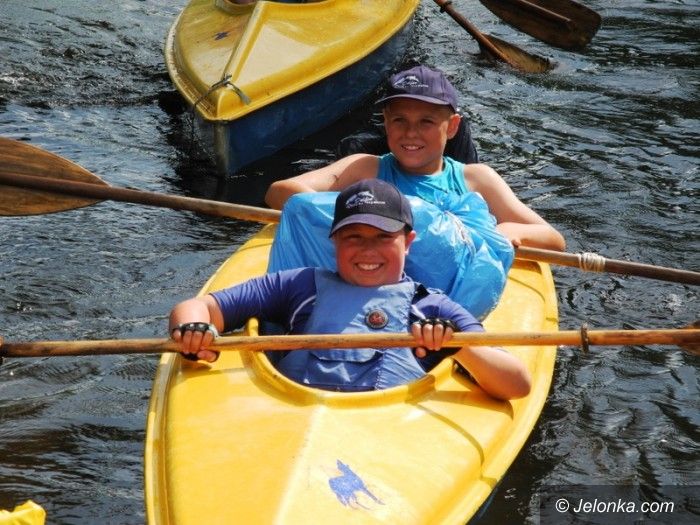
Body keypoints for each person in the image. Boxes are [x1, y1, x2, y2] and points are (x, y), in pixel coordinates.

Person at [170, 179, 531, 400]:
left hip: (385, 432)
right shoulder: (297, 285)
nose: (367, 250)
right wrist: (192, 330)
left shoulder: (433, 308)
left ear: (408, 242)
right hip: (290, 417)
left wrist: (459, 346)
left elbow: (516, 384)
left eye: (383, 237)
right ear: (334, 241)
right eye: (353, 237)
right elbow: (200, 307)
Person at [265, 65, 565, 251]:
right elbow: (280, 192)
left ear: (453, 127)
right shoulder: (364, 167)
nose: (410, 133)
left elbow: (553, 239)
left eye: (426, 122)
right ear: (385, 122)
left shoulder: (476, 179)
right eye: (399, 120)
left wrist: (506, 231)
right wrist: (360, 217)